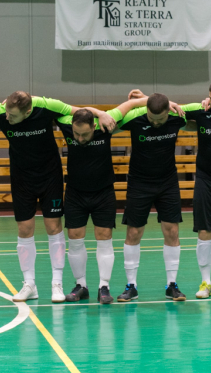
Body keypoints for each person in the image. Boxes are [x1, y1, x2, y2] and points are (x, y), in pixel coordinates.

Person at [132, 80, 211, 299]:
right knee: (204, 232)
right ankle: (206, 283)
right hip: (205, 182)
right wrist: (146, 98)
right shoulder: (201, 111)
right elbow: (169, 108)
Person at [0, 92, 116, 303]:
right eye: (7, 113)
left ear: (28, 111)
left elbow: (77, 111)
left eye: (12, 115)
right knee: (24, 229)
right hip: (21, 180)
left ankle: (57, 284)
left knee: (54, 228)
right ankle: (29, 284)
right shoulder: (2, 112)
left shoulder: (46, 106)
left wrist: (100, 113)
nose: (7, 118)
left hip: (50, 178)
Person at [55, 99, 146, 304]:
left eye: (85, 134)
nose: (80, 138)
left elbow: (131, 105)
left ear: (94, 126)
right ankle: (81, 286)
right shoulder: (66, 124)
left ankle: (104, 287)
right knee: (75, 238)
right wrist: (98, 111)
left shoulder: (106, 124)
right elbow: (48, 105)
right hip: (75, 193)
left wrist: (151, 99)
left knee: (104, 237)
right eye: (76, 134)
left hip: (103, 193)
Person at [116, 93, 192, 302]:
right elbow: (112, 119)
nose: (156, 123)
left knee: (172, 231)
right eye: (152, 118)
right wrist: (140, 99)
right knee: (133, 232)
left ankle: (172, 285)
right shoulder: (135, 119)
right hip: (139, 184)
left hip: (168, 183)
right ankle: (131, 286)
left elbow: (205, 112)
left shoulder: (177, 117)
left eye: (160, 119)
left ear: (169, 111)